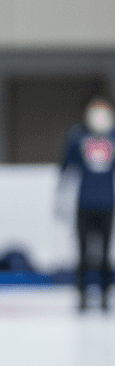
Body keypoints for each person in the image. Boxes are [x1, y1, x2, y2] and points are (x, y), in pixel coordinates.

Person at [60, 95, 115, 312]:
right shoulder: (78, 137)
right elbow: (66, 165)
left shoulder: (113, 137)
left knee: (105, 253)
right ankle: (82, 294)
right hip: (84, 203)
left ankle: (104, 294)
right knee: (83, 253)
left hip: (106, 204)